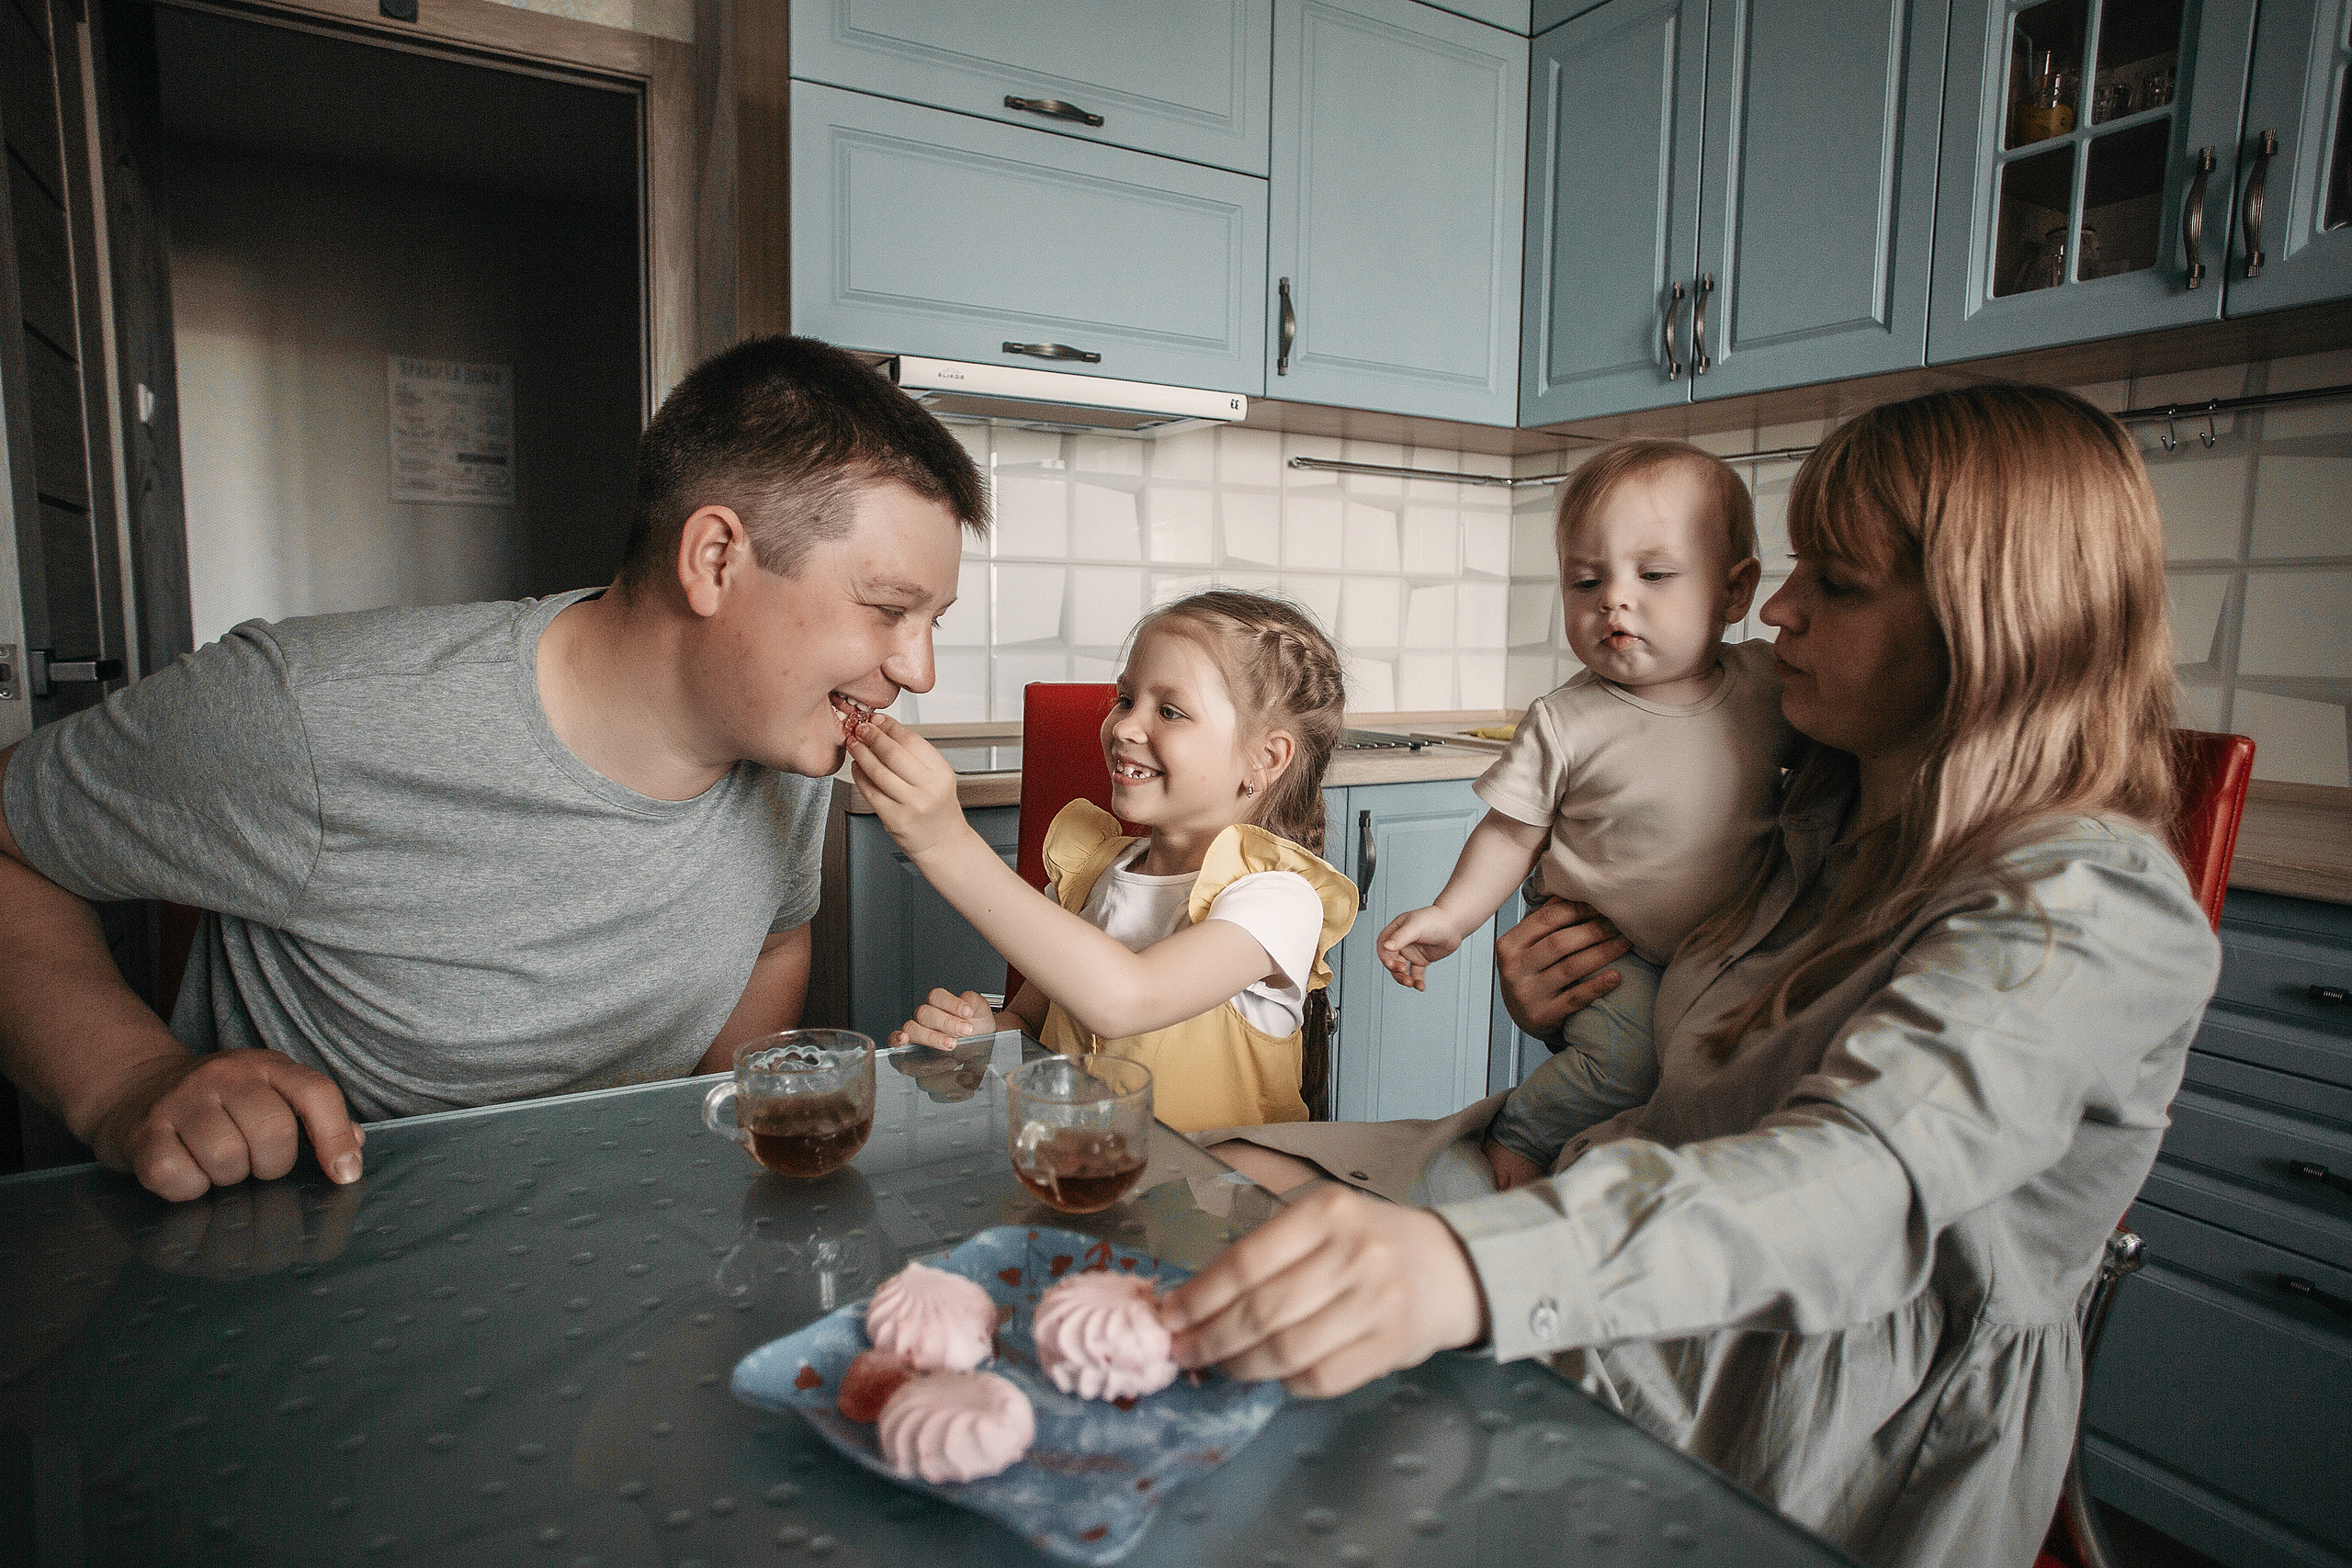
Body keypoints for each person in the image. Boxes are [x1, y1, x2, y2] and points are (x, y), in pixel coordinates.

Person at [1159, 384, 2222, 1568]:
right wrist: (1548, 1008)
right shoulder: (1818, 802)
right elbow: (1698, 1035)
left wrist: (1466, 1265)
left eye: (1836, 580)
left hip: (1795, 1382)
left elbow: (1852, 1181)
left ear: (1994, 623)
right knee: (1222, 1180)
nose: (1777, 608)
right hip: (1616, 1196)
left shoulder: (2081, 908)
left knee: (1300, 1458)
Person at [0, 335, 985, 1201]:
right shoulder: (304, 713)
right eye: (888, 609)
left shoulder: (793, 752)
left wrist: (720, 1164)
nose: (917, 670)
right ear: (717, 559)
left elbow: (773, 940)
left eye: (931, 624)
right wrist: (127, 1082)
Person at [1375, 439, 1796, 1186]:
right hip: (1618, 954)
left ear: (1736, 594)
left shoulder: (1770, 685)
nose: (1615, 599)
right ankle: (1518, 1139)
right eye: (1585, 580)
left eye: (1655, 574)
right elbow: (1511, 831)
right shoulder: (1566, 719)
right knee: (1625, 1068)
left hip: (1733, 955)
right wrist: (1451, 916)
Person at [852, 590, 1356, 1133]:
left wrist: (945, 844)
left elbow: (1128, 998)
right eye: (1125, 698)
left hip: (1219, 1204)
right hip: (1079, 1180)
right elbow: (1031, 1022)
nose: (1122, 727)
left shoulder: (1278, 899)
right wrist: (981, 1042)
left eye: (1169, 711)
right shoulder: (1090, 873)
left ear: (1266, 758)